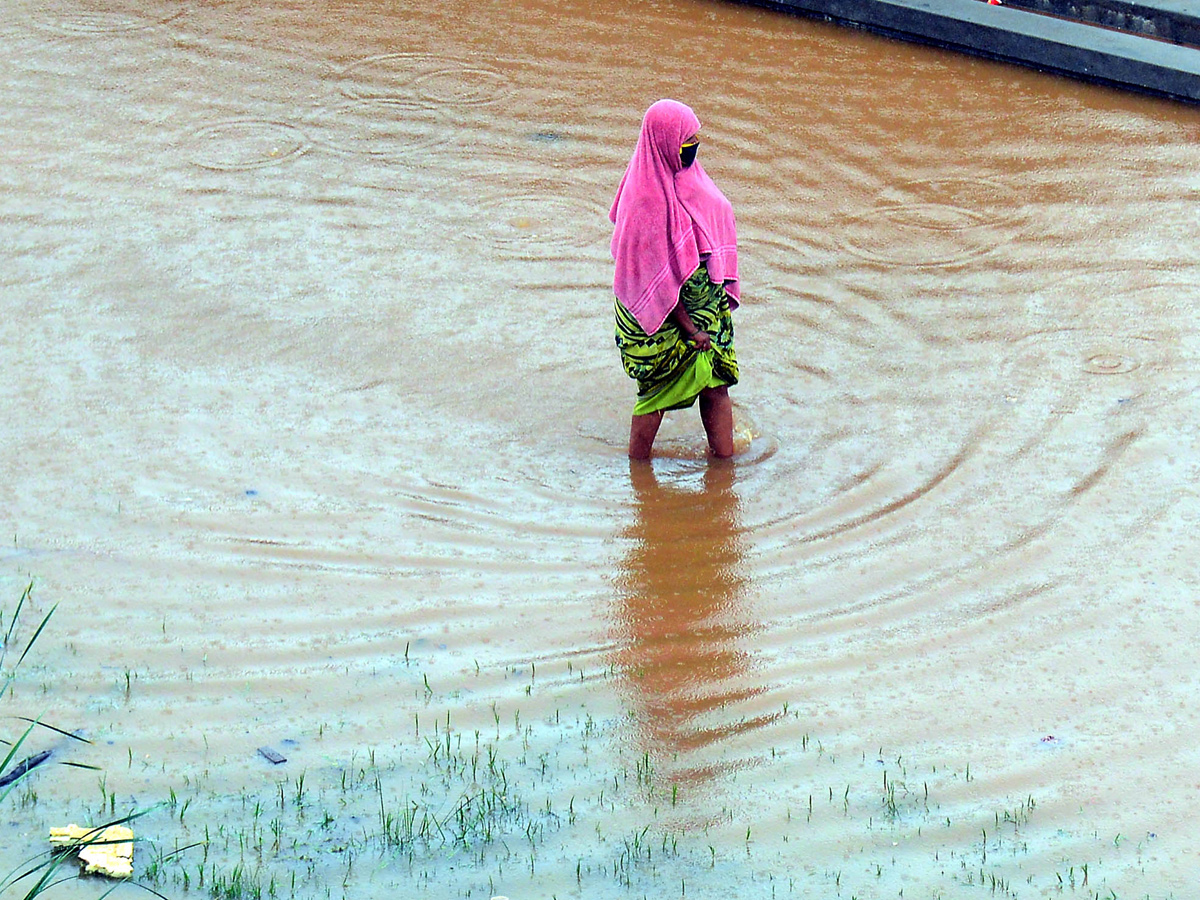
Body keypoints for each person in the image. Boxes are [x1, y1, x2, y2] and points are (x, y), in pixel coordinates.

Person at [610, 99, 741, 461]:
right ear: (664, 142)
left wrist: (707, 322)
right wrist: (689, 329)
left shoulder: (694, 179)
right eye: (686, 142)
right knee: (656, 396)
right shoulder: (644, 202)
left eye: (695, 140)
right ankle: (638, 474)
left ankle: (724, 469)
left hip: (706, 314)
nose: (692, 149)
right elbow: (654, 282)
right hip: (663, 322)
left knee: (716, 385)